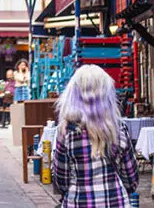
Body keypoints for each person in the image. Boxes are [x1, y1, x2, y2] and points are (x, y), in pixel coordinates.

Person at [53, 65, 138, 208]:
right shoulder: (118, 128)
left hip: (78, 202)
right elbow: (131, 179)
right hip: (115, 201)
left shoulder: (66, 131)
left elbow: (61, 179)